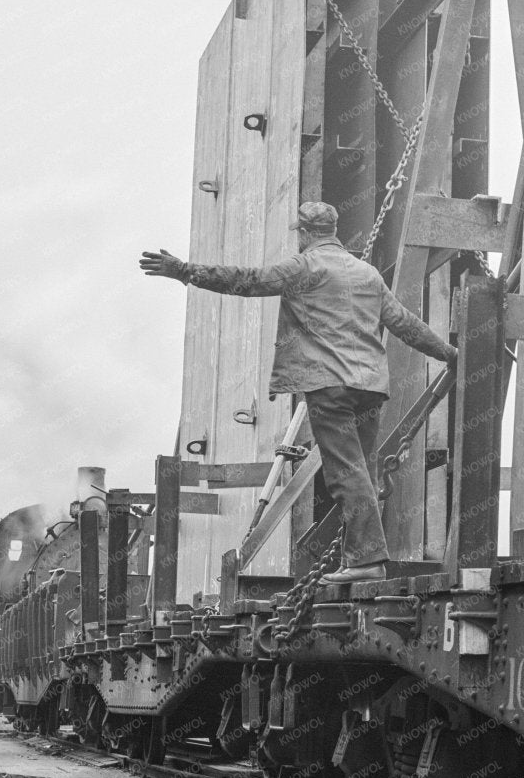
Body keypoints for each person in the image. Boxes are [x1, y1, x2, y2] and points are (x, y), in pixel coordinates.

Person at [140, 201, 456, 584]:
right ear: (334, 230)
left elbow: (247, 281)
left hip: (329, 385)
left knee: (346, 473)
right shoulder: (367, 273)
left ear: (304, 233)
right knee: (363, 472)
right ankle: (357, 557)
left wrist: (185, 272)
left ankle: (365, 562)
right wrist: (450, 353)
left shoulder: (303, 266)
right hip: (371, 388)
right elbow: (405, 324)